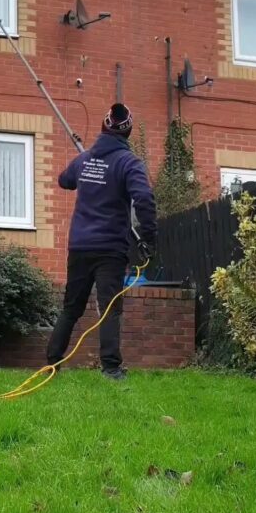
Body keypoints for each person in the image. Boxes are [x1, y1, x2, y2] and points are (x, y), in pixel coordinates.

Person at [47, 103, 157, 381]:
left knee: (72, 306)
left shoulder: (84, 161)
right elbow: (143, 199)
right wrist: (149, 237)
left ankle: (51, 362)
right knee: (109, 307)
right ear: (128, 133)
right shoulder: (129, 163)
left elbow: (64, 180)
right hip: (110, 248)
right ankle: (110, 368)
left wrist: (88, 168)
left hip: (80, 246)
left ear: (103, 127)